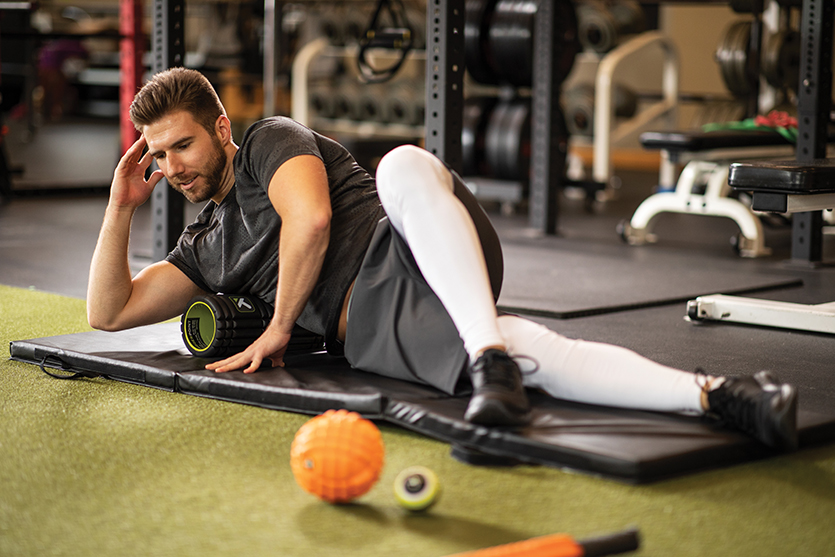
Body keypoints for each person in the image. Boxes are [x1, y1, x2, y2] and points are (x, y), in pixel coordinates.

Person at [87, 67, 799, 451]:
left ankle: (484, 352)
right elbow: (108, 312)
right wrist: (119, 206)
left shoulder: (269, 141)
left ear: (218, 128)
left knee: (399, 164)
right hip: (376, 322)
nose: (170, 165)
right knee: (529, 350)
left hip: (415, 238)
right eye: (155, 154)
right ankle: (724, 394)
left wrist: (276, 329)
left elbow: (312, 220)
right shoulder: (203, 247)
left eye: (181, 144)